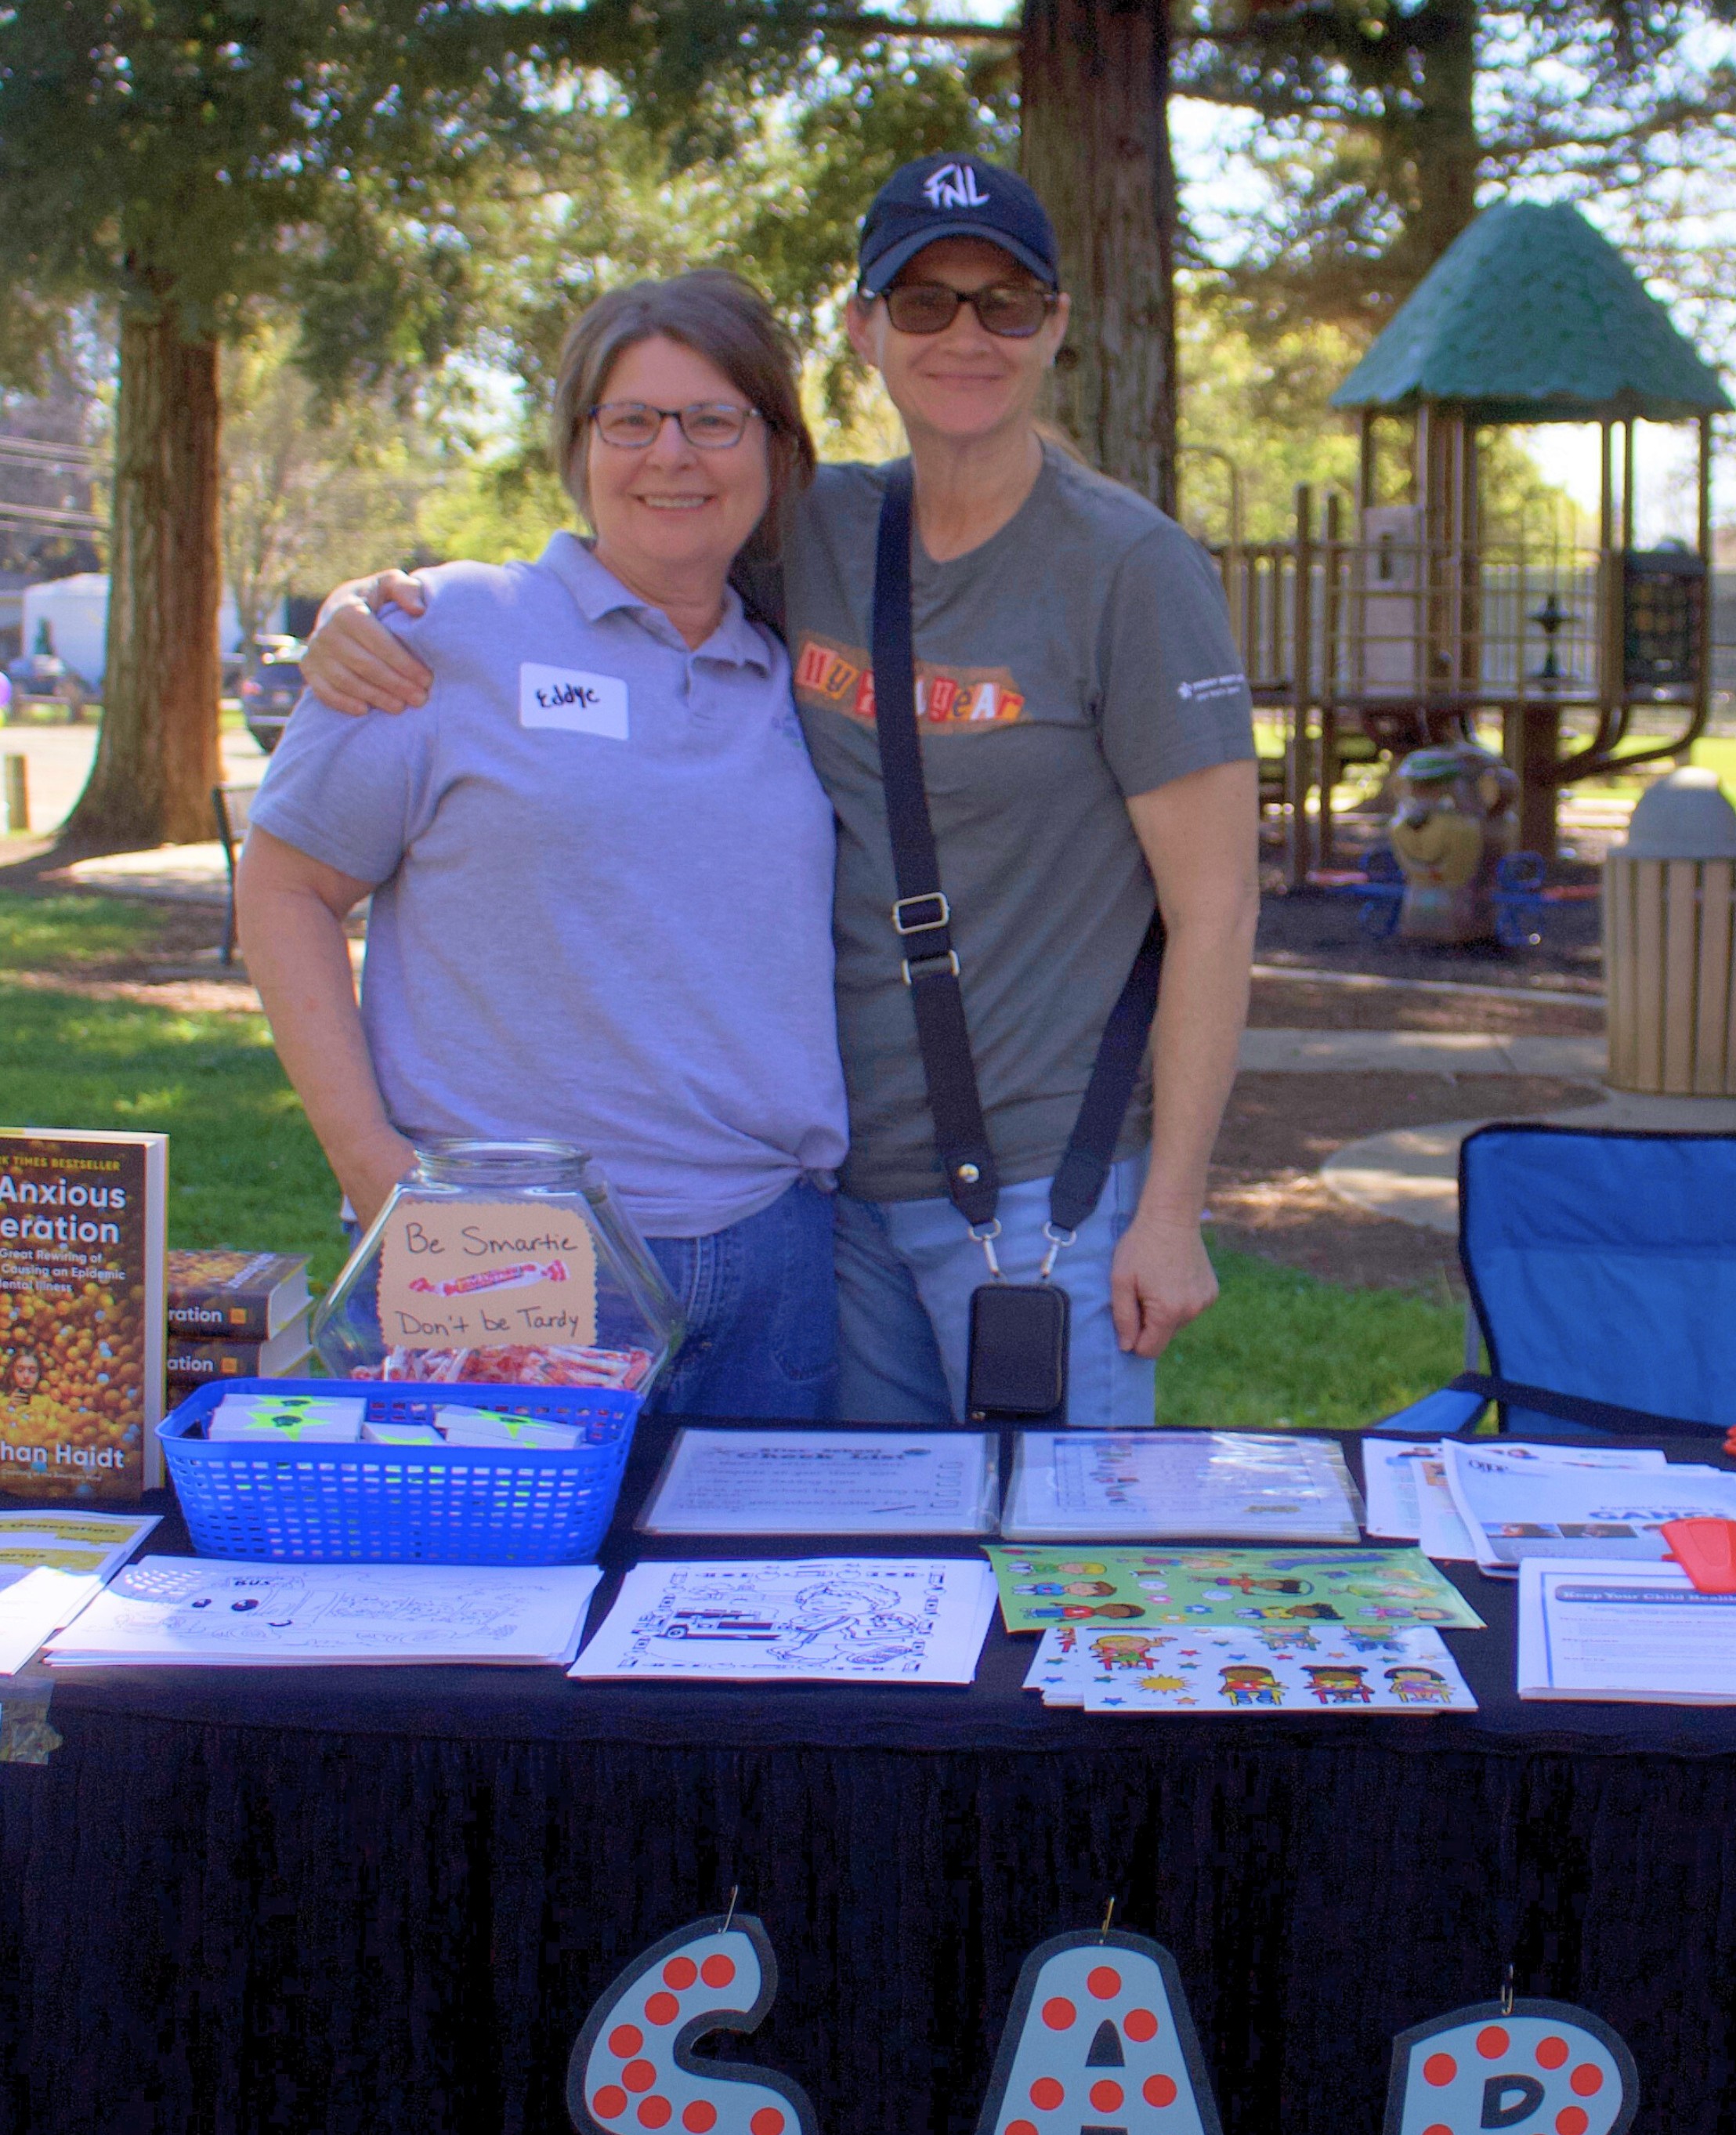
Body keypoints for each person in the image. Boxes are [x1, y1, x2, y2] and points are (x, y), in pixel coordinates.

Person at [299, 156, 1260, 1427]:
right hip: (840, 1198)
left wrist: (1174, 1209)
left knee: (1044, 1569)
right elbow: (641, 544)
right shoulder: (812, 532)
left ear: (1056, 324)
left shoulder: (1134, 570)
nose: (964, 334)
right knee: (862, 1580)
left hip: (1046, 1195)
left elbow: (1218, 909)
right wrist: (357, 613)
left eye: (1004, 303)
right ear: (863, 330)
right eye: (923, 302)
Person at [241, 273, 849, 1420]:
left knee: (747, 1597)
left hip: (772, 1256)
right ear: (577, 446)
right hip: (501, 1250)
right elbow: (284, 891)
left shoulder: (800, 669)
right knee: (484, 1594)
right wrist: (371, 1168)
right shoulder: (445, 632)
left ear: (774, 450)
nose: (673, 454)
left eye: (714, 420)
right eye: (631, 420)